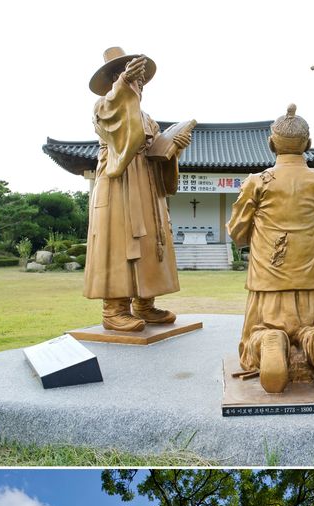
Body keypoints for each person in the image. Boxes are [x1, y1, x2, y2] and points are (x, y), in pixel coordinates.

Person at [227, 104, 314, 394]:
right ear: (307, 145)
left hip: (268, 282)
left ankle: (267, 340)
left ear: (271, 144)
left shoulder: (257, 182)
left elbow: (237, 232)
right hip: (312, 282)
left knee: (260, 328)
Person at [84, 47, 194, 333]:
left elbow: (156, 151)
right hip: (118, 184)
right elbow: (114, 124)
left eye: (140, 82)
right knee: (119, 243)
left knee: (149, 242)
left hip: (146, 184)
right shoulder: (102, 106)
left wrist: (173, 148)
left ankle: (145, 304)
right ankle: (114, 309)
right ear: (114, 81)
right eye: (131, 79)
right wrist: (122, 87)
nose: (138, 86)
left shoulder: (149, 120)